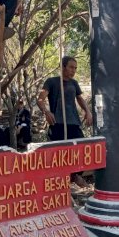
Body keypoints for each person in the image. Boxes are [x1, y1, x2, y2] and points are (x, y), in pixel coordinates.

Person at [37, 56, 92, 186]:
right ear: (63, 67)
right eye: (71, 67)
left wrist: (87, 111)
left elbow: (79, 99)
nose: (74, 70)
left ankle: (74, 176)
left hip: (73, 122)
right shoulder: (51, 81)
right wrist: (46, 111)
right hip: (57, 123)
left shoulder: (74, 83)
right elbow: (40, 99)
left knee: (83, 149)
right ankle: (60, 185)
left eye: (75, 68)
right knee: (58, 156)